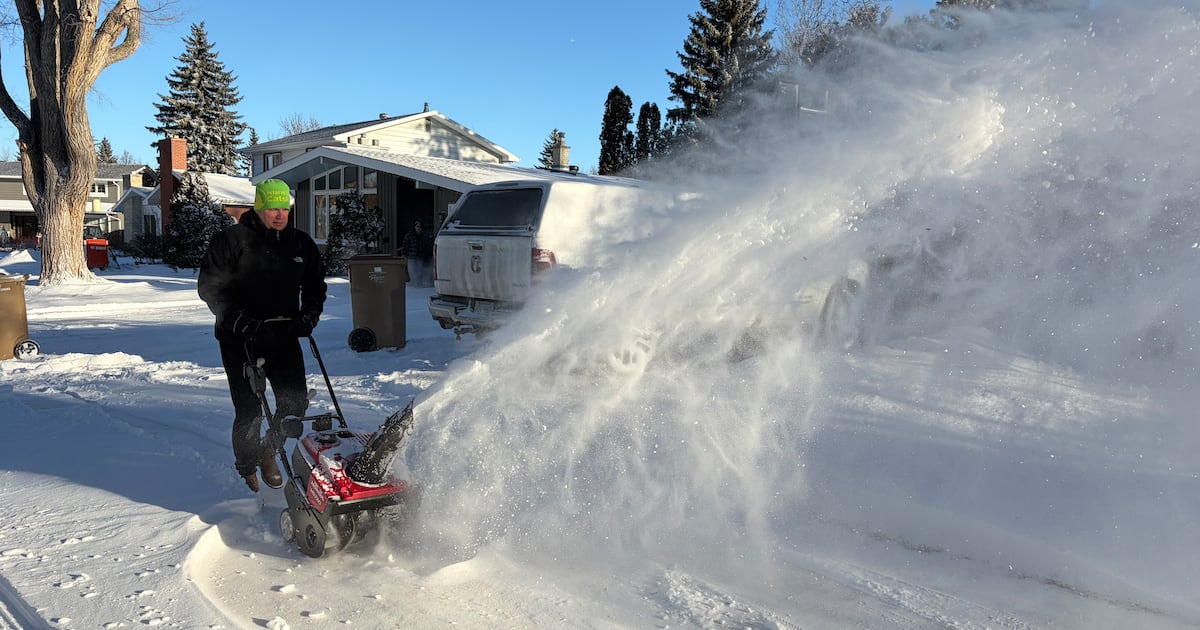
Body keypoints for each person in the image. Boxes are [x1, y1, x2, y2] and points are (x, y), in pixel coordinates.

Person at [197, 179, 327, 493]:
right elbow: (211, 288)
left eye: (284, 207)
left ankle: (269, 448)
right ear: (259, 207)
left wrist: (308, 316)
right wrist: (240, 322)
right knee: (249, 409)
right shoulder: (230, 240)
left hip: (284, 335)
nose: (279, 214)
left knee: (294, 403)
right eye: (272, 208)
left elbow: (315, 286)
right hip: (240, 338)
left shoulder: (300, 244)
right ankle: (246, 467)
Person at [400, 220, 434, 287]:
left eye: (420, 227)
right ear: (414, 227)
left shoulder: (424, 236)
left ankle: (418, 284)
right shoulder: (409, 235)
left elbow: (426, 246)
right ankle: (413, 284)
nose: (418, 228)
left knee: (419, 272)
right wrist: (404, 255)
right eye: (417, 226)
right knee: (412, 272)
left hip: (420, 257)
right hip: (411, 257)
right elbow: (405, 245)